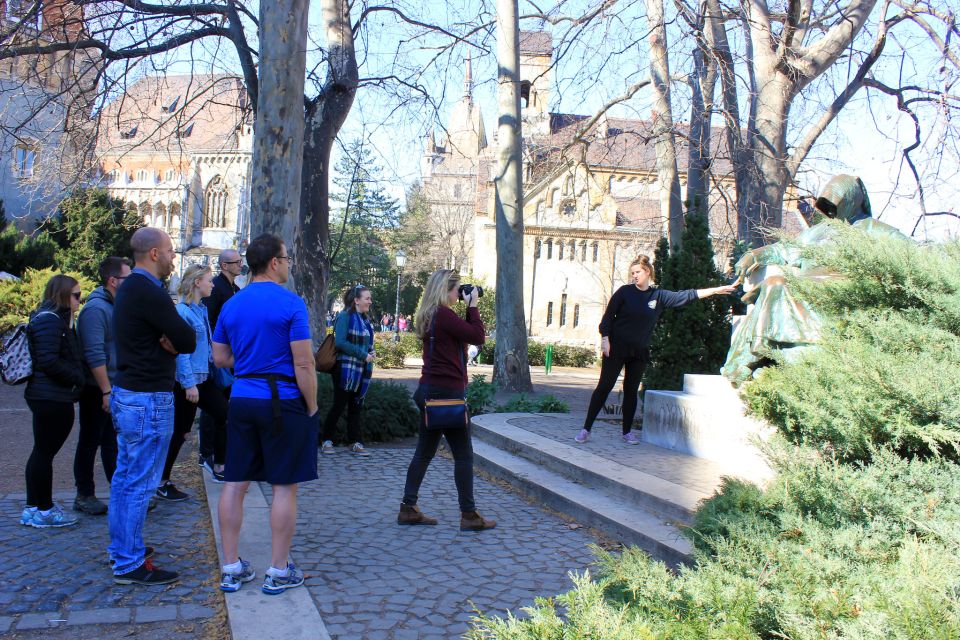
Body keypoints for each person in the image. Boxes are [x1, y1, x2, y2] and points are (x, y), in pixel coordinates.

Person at [213, 234, 319, 595]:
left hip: (242, 397)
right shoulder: (291, 304)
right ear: (274, 262)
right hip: (283, 400)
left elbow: (220, 357)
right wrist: (313, 404)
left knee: (235, 482)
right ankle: (278, 569)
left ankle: (230, 567)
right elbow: (304, 362)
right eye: (287, 258)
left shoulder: (232, 304)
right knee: (283, 485)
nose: (289, 264)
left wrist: (250, 362)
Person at [109, 227, 196, 586]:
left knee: (126, 478)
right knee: (140, 482)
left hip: (130, 394)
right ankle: (128, 561)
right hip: (148, 398)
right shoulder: (149, 291)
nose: (175, 257)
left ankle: (124, 549)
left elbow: (179, 339)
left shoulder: (129, 288)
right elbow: (187, 338)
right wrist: (173, 343)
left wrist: (173, 342)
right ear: (155, 254)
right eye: (172, 251)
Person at [575, 255, 736, 445]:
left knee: (631, 390)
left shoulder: (658, 296)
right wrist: (605, 339)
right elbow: (608, 317)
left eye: (638, 272)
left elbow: (686, 295)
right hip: (616, 348)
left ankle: (626, 432)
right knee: (604, 387)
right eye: (632, 273)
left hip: (639, 352)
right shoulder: (624, 292)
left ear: (647, 272)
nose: (634, 276)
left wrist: (716, 290)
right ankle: (586, 429)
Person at [398, 269, 496, 531]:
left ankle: (408, 507)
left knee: (424, 452)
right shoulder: (443, 314)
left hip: (429, 391)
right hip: (447, 394)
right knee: (463, 455)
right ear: (446, 290)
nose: (458, 294)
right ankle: (469, 515)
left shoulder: (432, 314)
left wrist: (466, 308)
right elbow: (477, 337)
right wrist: (473, 305)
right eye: (456, 290)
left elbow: (463, 334)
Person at [157, 264, 229, 501]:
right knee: (180, 432)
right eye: (209, 280)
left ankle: (218, 465)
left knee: (224, 415)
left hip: (203, 378)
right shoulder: (182, 313)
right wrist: (188, 385)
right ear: (197, 282)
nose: (212, 284)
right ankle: (161, 481)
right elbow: (182, 353)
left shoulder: (200, 310)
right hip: (189, 382)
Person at [20, 275, 86, 528]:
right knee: (43, 453)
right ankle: (44, 510)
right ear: (63, 295)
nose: (79, 301)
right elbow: (48, 360)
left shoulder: (50, 318)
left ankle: (34, 507)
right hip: (51, 396)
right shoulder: (51, 321)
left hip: (47, 395)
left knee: (41, 452)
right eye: (76, 295)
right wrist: (77, 378)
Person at [73, 257, 131, 516]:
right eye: (127, 279)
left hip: (113, 385)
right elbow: (94, 354)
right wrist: (106, 390)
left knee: (111, 442)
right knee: (90, 441)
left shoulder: (114, 305)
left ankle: (118, 492)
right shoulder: (96, 310)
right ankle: (84, 494)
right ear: (113, 281)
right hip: (97, 388)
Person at [197, 249, 242, 478]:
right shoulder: (216, 287)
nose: (241, 264)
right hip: (218, 354)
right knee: (215, 405)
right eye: (236, 262)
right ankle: (207, 453)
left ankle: (220, 451)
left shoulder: (235, 288)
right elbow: (210, 321)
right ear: (224, 265)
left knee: (224, 403)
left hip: (231, 353)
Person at [320, 285, 375, 457]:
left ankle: (355, 442)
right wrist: (362, 354)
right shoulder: (345, 316)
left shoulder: (365, 320)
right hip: (344, 369)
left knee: (356, 406)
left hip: (360, 370)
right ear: (356, 300)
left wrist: (370, 352)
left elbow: (366, 343)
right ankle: (326, 439)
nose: (370, 302)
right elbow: (340, 342)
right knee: (339, 404)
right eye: (367, 298)